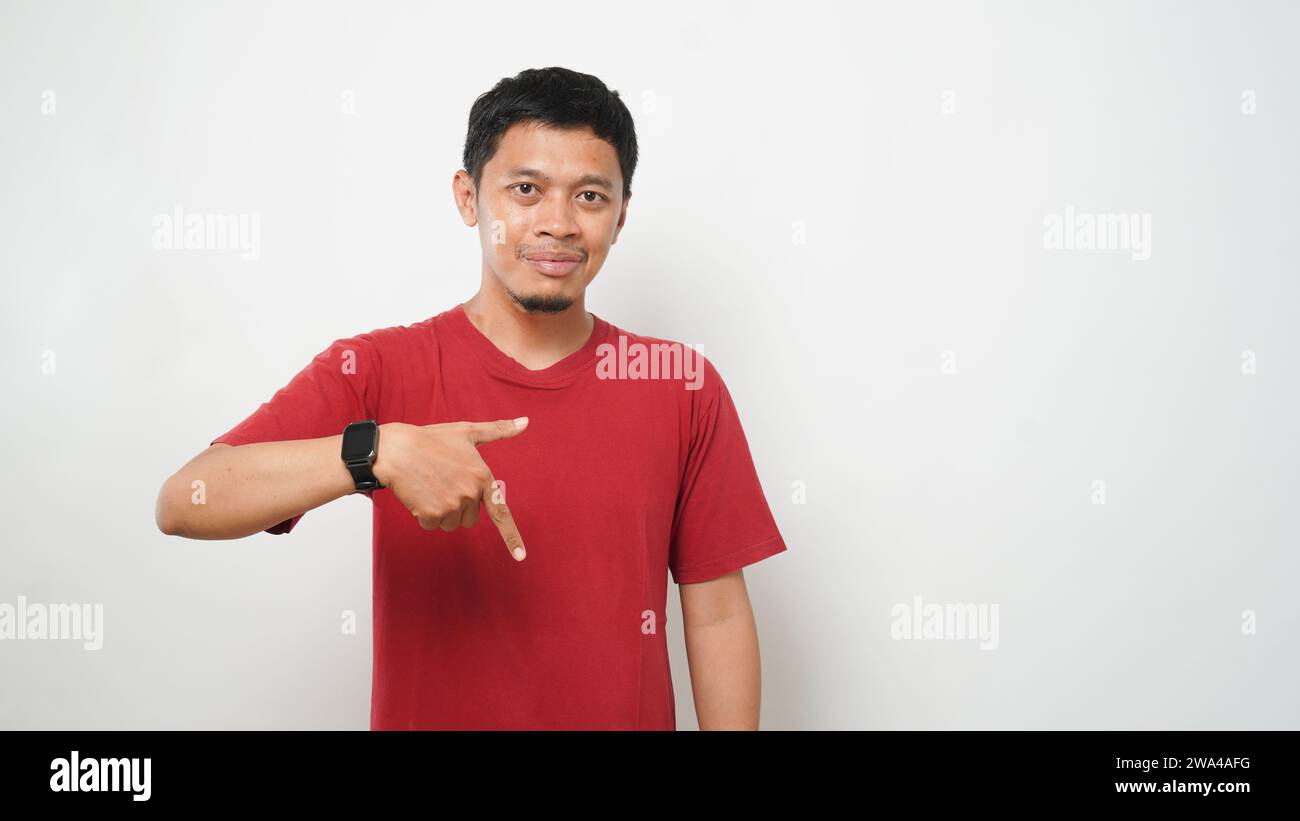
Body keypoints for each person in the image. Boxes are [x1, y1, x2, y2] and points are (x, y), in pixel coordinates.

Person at [155, 66, 788, 730]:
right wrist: (377, 452)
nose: (558, 222)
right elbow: (186, 498)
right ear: (469, 198)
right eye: (525, 190)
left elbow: (715, 612)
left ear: (621, 214)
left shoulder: (679, 384)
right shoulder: (376, 368)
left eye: (591, 197)